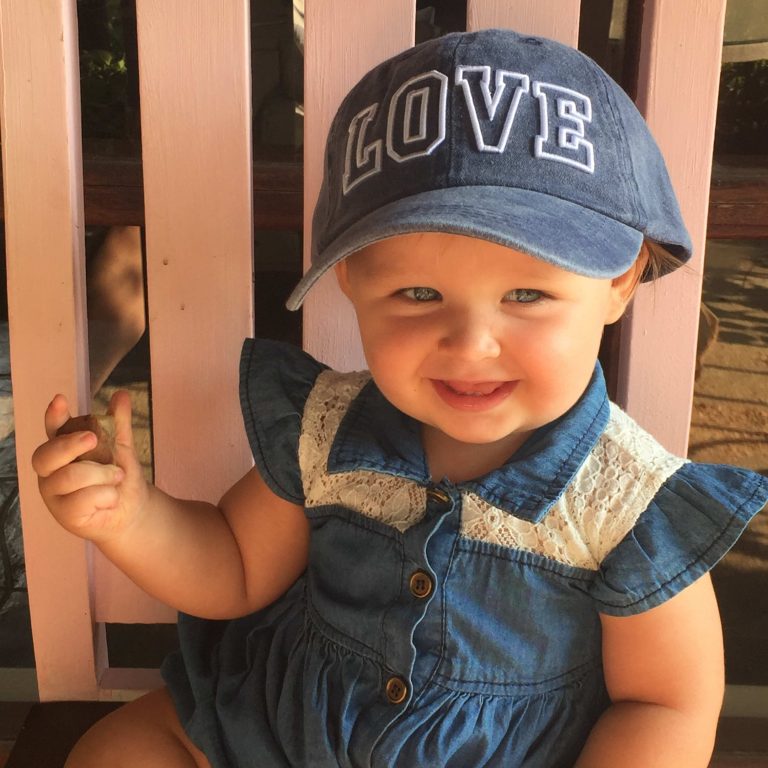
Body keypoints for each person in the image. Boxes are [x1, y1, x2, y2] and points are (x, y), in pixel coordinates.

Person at [32, 28, 768, 768]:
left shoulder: (624, 504)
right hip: (276, 735)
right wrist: (131, 518)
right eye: (418, 294)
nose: (471, 344)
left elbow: (666, 701)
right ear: (351, 276)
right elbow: (235, 566)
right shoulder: (329, 432)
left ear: (619, 283)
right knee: (120, 750)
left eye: (527, 295)